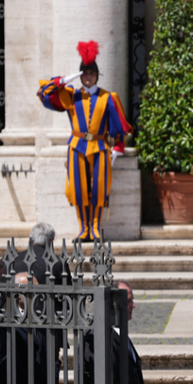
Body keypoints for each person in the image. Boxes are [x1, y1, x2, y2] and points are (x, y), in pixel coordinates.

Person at [37, 41, 131, 241]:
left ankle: (95, 228)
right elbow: (44, 92)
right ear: (80, 76)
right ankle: (83, 229)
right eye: (85, 73)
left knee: (99, 189)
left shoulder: (108, 97)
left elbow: (119, 126)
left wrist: (117, 149)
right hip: (77, 147)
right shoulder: (71, 95)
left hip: (100, 147)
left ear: (97, 75)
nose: (88, 76)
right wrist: (65, 79)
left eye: (92, 73)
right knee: (78, 190)